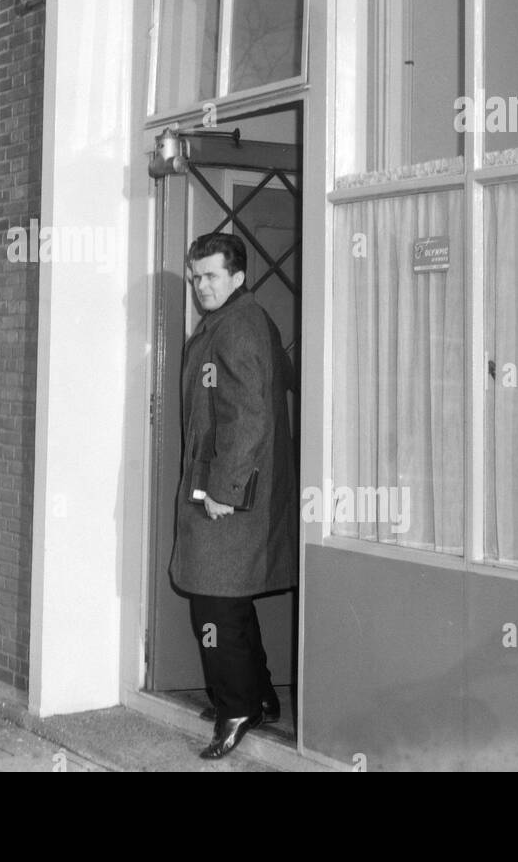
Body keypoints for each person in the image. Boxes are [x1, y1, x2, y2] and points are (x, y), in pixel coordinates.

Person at [170, 231, 298, 760]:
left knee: (214, 603)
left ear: (238, 276)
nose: (201, 286)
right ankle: (260, 696)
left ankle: (237, 709)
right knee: (230, 597)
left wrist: (223, 488)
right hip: (235, 489)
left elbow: (248, 416)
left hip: (229, 494)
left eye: (211, 276)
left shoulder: (238, 326)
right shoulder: (240, 319)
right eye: (195, 277)